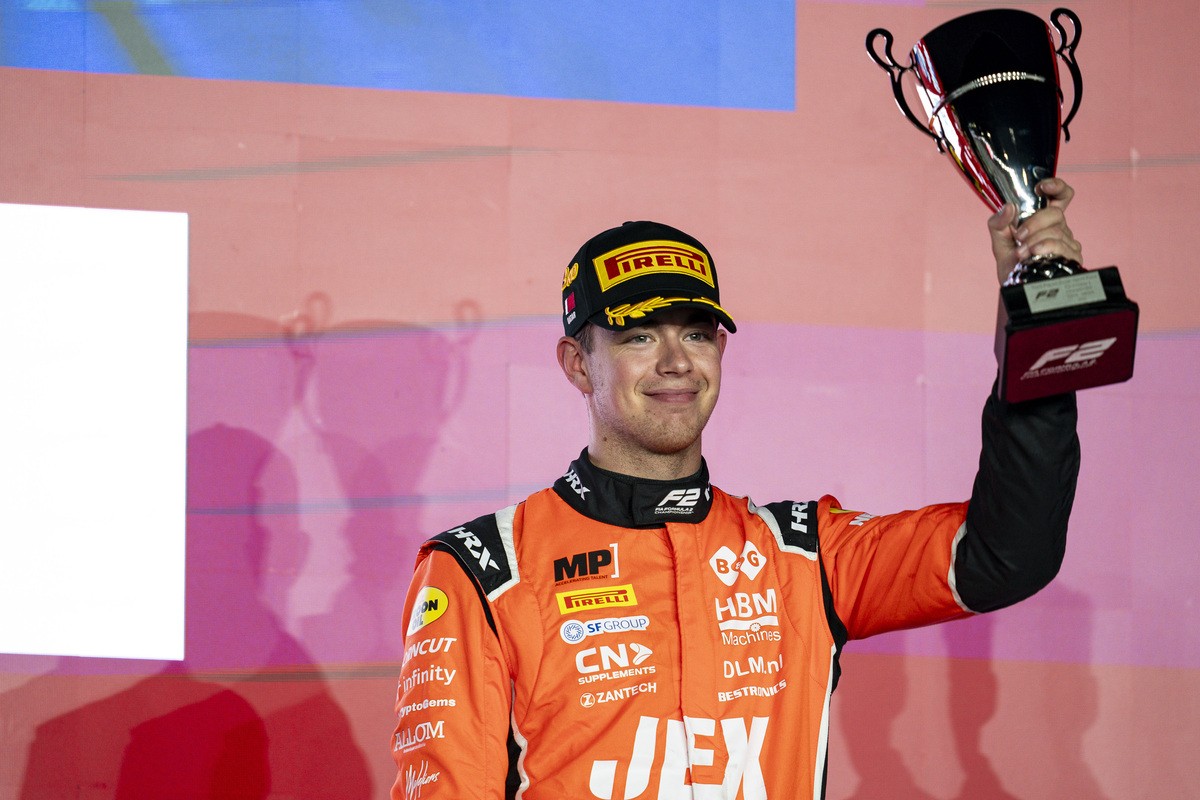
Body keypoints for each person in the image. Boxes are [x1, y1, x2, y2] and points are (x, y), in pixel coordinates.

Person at [390, 178, 1083, 800]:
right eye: (639, 337)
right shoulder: (483, 572)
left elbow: (1009, 553)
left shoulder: (803, 554)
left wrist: (1039, 317)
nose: (676, 362)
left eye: (696, 334)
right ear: (577, 363)